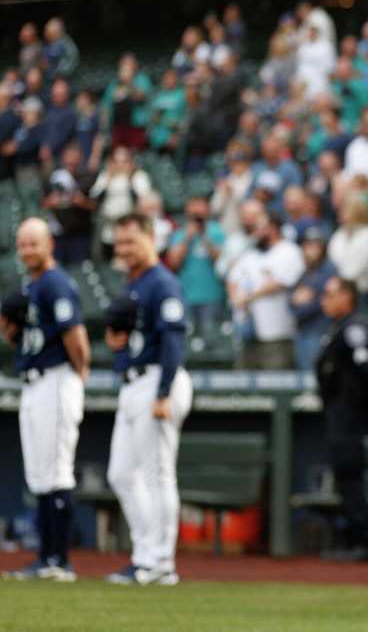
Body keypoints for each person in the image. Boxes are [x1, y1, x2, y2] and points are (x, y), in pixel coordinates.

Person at [103, 213, 193, 585]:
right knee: (121, 474)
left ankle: (161, 563)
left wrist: (163, 392)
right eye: (120, 242)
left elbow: (174, 340)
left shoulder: (162, 283)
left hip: (159, 379)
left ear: (152, 239)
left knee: (158, 476)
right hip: (134, 382)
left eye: (131, 241)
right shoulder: (134, 283)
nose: (125, 249)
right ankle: (144, 555)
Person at [0, 219, 89, 582]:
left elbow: (76, 337)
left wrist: (78, 373)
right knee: (39, 473)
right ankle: (45, 558)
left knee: (55, 470)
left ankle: (59, 560)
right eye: (22, 245)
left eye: (33, 244)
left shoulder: (55, 283)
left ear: (49, 243)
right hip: (34, 381)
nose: (27, 251)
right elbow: (15, 340)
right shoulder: (30, 286)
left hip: (56, 379)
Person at [315, 276, 368, 561]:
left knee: (350, 473)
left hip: (349, 411)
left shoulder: (354, 327)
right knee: (345, 474)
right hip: (339, 410)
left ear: (347, 297)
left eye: (330, 295)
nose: (324, 301)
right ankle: (356, 535)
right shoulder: (338, 327)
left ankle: (365, 538)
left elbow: (367, 367)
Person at [227, 211, 306, 369]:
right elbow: (232, 278)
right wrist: (235, 297)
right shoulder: (251, 254)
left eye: (261, 228)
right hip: (247, 329)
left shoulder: (289, 251)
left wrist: (247, 297)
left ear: (273, 229)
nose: (256, 232)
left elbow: (280, 283)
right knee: (244, 379)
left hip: (277, 331)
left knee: (275, 377)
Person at [164, 196, 226, 335]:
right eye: (194, 206)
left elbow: (222, 262)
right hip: (186, 295)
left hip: (212, 296)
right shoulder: (179, 234)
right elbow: (173, 264)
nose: (197, 211)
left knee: (212, 339)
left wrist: (205, 237)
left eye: (200, 206)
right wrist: (187, 238)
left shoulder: (217, 231)